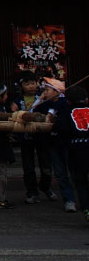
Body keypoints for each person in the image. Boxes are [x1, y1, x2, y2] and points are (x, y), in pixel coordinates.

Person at [34, 77, 78, 212]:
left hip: (66, 143)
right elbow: (32, 110)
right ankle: (68, 199)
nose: (45, 92)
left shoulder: (65, 103)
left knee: (74, 172)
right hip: (52, 144)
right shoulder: (45, 104)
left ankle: (80, 199)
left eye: (47, 90)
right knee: (60, 173)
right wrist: (40, 98)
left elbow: (53, 116)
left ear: (57, 91)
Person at [12, 71, 52, 204]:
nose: (30, 86)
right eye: (27, 84)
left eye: (33, 83)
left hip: (41, 135)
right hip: (25, 136)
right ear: (21, 85)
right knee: (28, 166)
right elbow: (14, 115)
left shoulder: (43, 98)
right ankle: (32, 192)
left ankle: (45, 187)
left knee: (46, 165)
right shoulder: (17, 101)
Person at [55, 86, 89, 222]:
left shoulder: (66, 112)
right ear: (86, 99)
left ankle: (87, 208)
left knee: (81, 181)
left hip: (77, 150)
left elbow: (61, 130)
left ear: (68, 101)